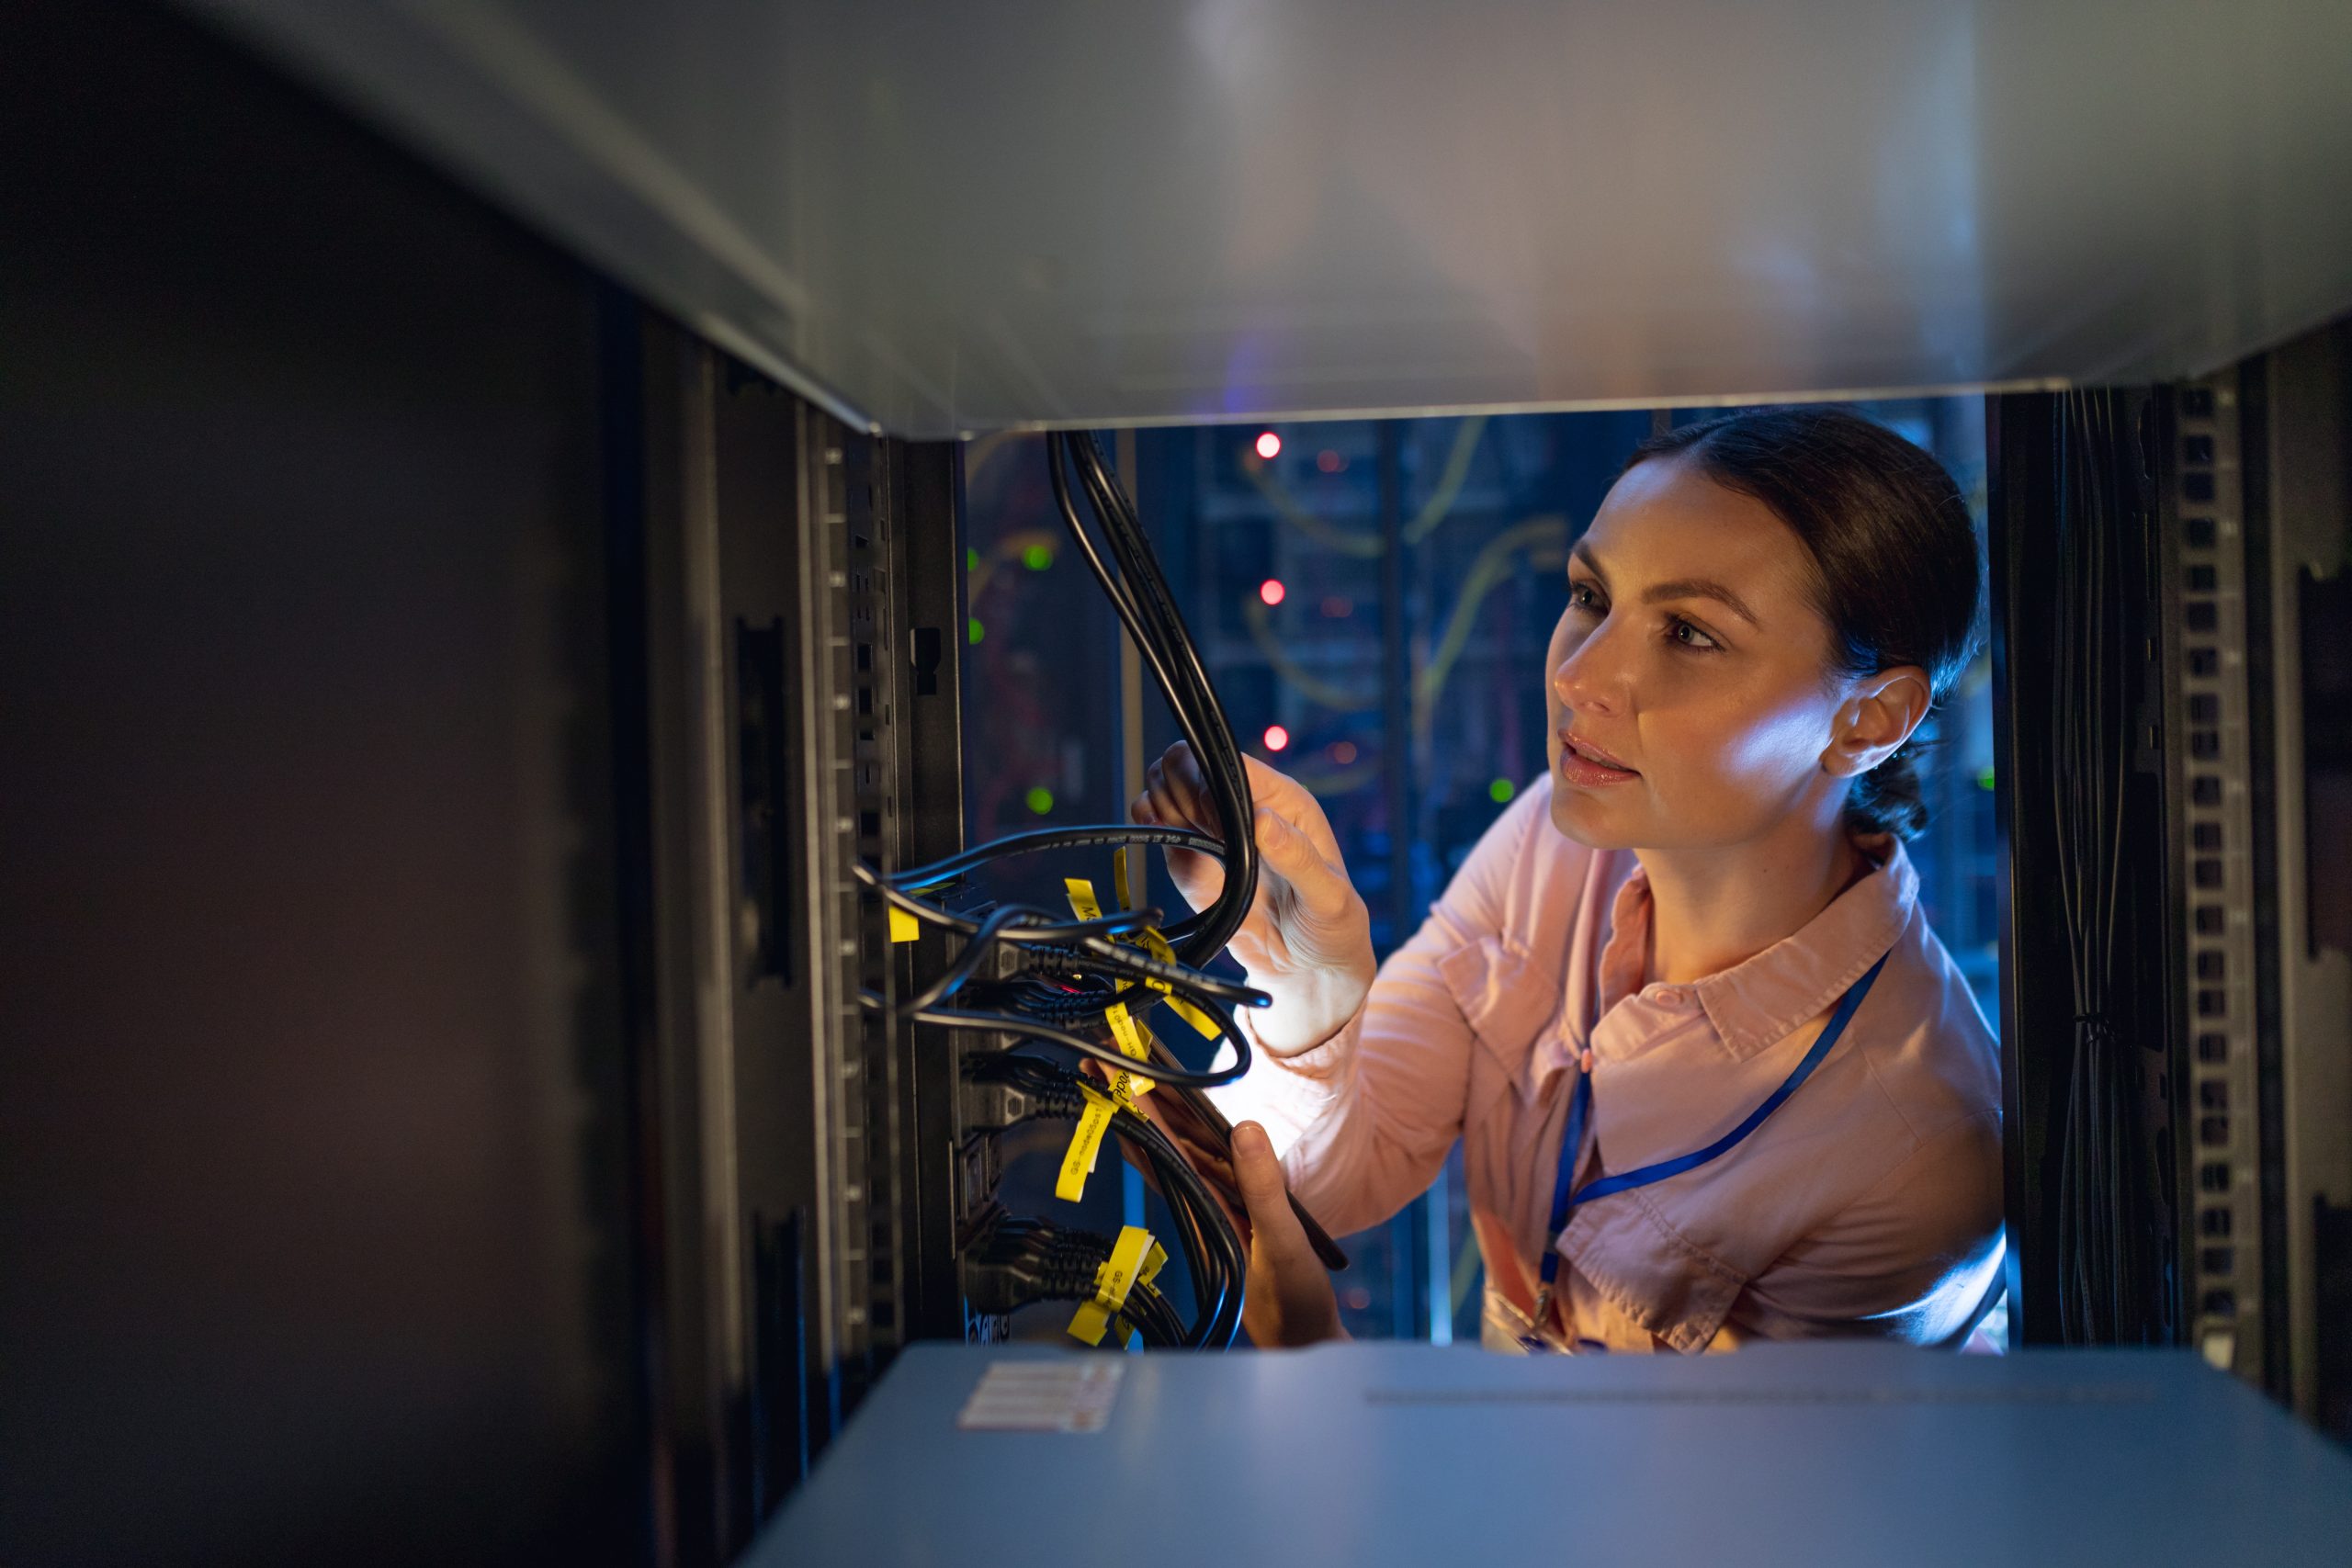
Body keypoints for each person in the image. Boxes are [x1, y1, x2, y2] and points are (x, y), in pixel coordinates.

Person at [1135, 406, 2002, 1352]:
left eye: (1688, 634)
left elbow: (1701, 1505)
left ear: (1868, 722)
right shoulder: (1555, 847)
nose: (1578, 676)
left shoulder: (1916, 1158)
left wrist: (1321, 1379)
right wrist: (1307, 989)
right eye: (1591, 596)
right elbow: (1339, 1181)